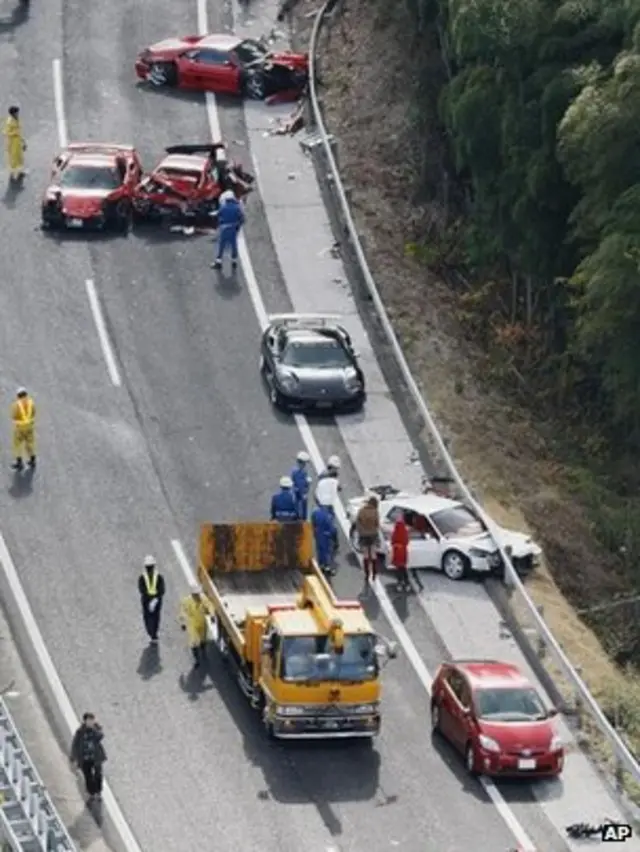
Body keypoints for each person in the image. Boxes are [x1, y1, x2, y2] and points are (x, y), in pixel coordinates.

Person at [70, 713, 106, 803]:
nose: (91, 722)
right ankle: (92, 793)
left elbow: (100, 736)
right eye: (89, 720)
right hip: (85, 758)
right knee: (88, 776)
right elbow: (75, 744)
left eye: (92, 720)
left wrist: (93, 729)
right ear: (85, 721)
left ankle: (98, 792)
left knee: (98, 774)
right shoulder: (80, 732)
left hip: (96, 757)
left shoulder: (96, 729)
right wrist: (73, 757)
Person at [179, 585, 213, 668]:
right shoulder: (186, 601)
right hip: (192, 624)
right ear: (192, 594)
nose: (197, 596)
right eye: (195, 594)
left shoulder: (203, 599)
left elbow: (210, 606)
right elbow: (182, 612)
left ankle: (203, 650)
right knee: (193, 642)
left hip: (202, 623)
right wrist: (183, 623)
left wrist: (211, 614)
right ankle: (196, 659)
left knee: (203, 639)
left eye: (198, 594)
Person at [211, 189, 244, 270]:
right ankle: (234, 261)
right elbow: (242, 219)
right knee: (234, 245)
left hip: (224, 229)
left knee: (222, 245)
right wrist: (237, 226)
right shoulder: (237, 208)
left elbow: (218, 214)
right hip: (233, 229)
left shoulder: (224, 207)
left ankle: (218, 262)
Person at [138, 555, 165, 643]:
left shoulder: (142, 577)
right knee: (155, 617)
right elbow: (162, 590)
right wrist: (155, 599)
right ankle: (153, 634)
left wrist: (152, 599)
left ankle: (152, 634)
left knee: (148, 617)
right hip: (155, 600)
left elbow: (141, 590)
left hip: (148, 600)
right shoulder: (159, 576)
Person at [356, 495, 380, 584]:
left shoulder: (361, 511)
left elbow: (358, 523)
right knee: (373, 554)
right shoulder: (375, 512)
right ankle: (374, 573)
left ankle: (367, 574)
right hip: (373, 535)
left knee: (365, 555)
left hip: (363, 535)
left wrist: (361, 531)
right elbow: (377, 524)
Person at [11, 387, 36, 472]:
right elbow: (33, 413)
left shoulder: (16, 404)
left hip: (20, 428)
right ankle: (32, 460)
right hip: (29, 426)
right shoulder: (31, 403)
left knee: (17, 444)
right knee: (30, 443)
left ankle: (19, 462)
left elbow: (14, 416)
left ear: (18, 395)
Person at [311, 502, 337, 575]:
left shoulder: (315, 512)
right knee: (328, 551)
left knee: (320, 550)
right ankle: (328, 567)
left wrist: (315, 532)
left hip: (319, 534)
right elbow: (332, 527)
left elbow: (313, 523)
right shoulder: (328, 514)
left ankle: (321, 565)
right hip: (327, 535)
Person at [3, 106, 26, 181]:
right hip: (12, 143)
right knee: (13, 159)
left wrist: (23, 141)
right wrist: (14, 133)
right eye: (16, 112)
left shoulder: (16, 119)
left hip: (17, 142)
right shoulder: (9, 122)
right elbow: (6, 133)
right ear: (13, 113)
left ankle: (20, 171)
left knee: (19, 157)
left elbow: (19, 132)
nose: (18, 113)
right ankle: (13, 174)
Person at [391, 513, 410, 591]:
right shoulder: (405, 532)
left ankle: (399, 583)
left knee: (398, 569)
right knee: (404, 568)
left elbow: (392, 541)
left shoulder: (395, 532)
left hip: (397, 552)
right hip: (403, 552)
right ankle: (407, 583)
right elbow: (407, 541)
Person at [291, 450, 311, 520]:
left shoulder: (294, 470)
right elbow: (302, 488)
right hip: (299, 499)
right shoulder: (301, 472)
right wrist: (308, 484)